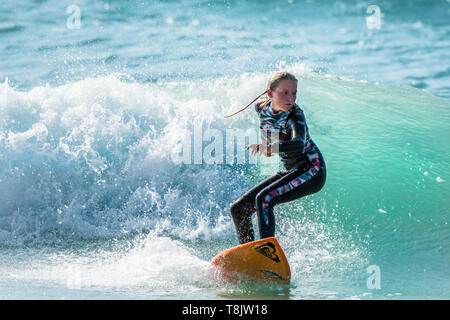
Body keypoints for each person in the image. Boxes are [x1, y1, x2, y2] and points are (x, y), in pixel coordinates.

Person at [227, 71, 326, 244]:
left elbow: (298, 144)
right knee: (239, 208)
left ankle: (267, 251)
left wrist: (269, 147)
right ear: (270, 93)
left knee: (265, 198)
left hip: (312, 169)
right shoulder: (263, 110)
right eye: (285, 92)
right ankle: (250, 253)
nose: (291, 98)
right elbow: (270, 146)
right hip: (290, 170)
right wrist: (266, 147)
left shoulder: (295, 115)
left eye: (294, 93)